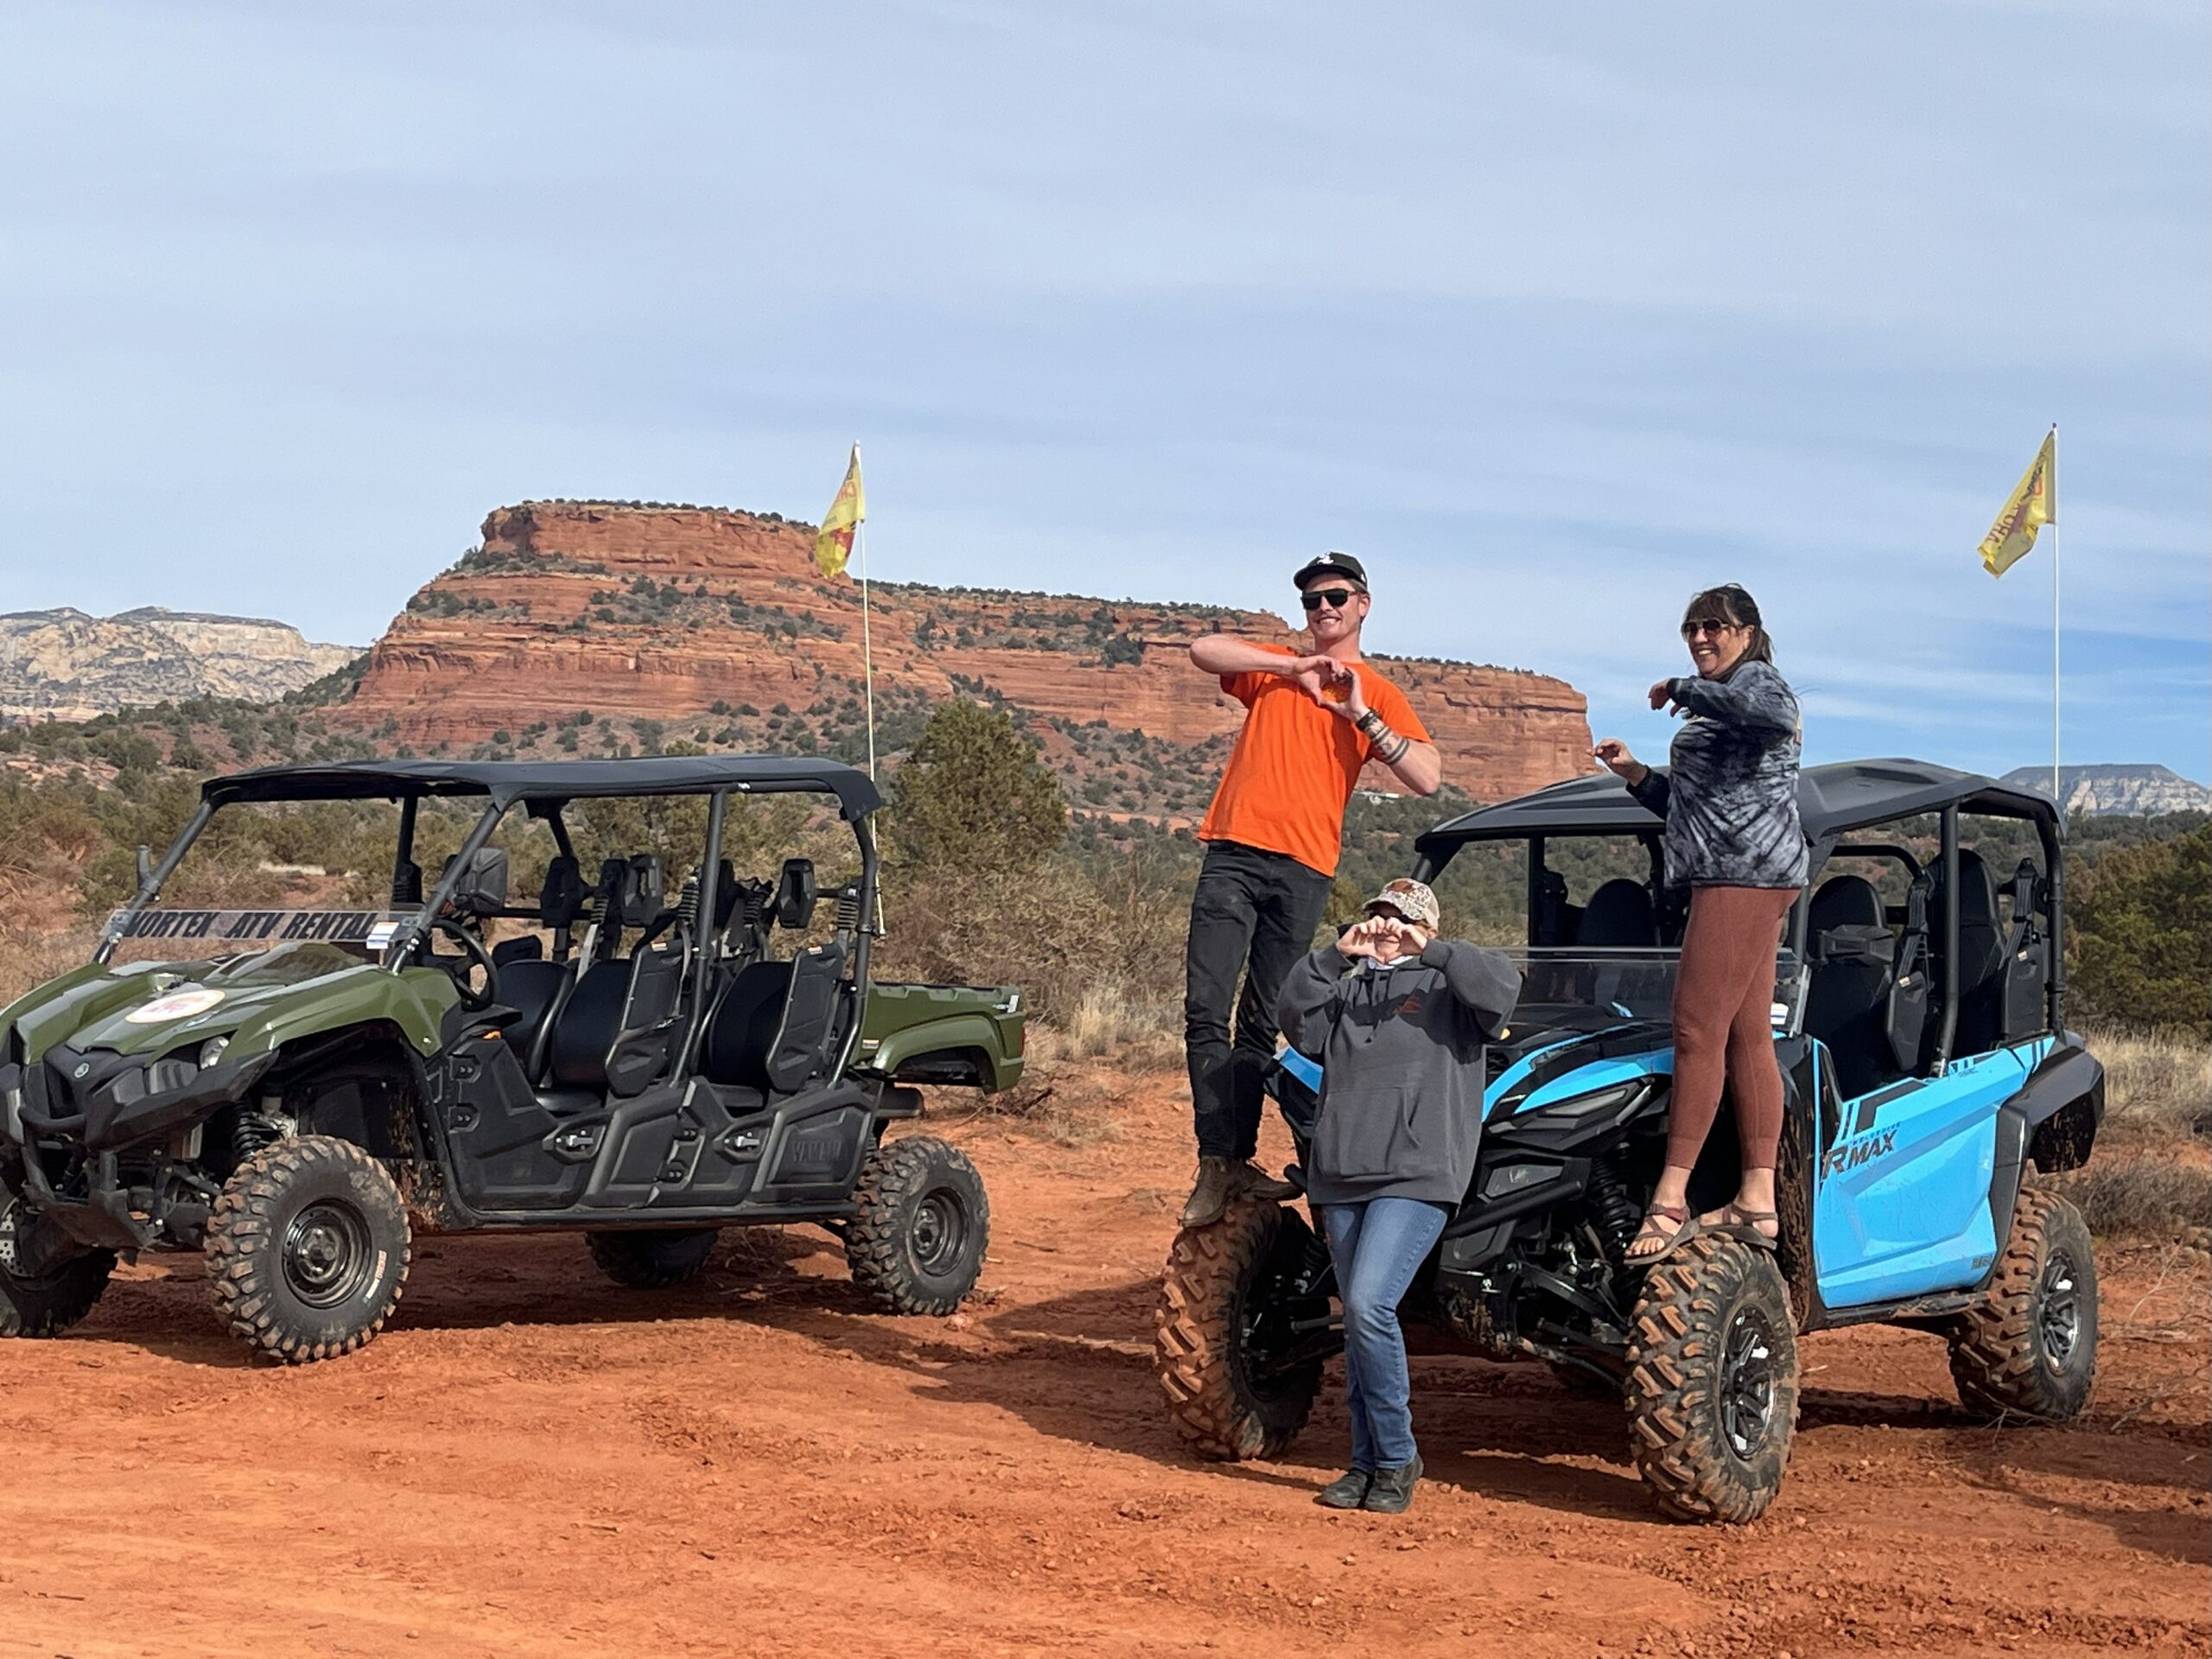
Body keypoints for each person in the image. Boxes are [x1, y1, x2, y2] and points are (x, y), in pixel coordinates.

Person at [1179, 554, 1443, 1227]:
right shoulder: (1273, 666)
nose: (1322, 609)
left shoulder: (1376, 692)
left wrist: (1362, 716)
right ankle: (1220, 1160)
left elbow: (1428, 777)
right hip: (1233, 853)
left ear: (1363, 604)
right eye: (1312, 601)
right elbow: (1201, 649)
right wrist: (1294, 667)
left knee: (1264, 1021)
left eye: (1335, 597)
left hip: (1304, 868)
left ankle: (1244, 1159)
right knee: (1206, 1009)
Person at [1277, 878, 1520, 1514]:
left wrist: (1431, 951)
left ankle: (1395, 1457)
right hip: (1342, 1173)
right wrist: (1336, 956)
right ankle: (1363, 1465)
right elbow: (1296, 1020)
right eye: (1379, 916)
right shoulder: (1346, 988)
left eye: (1403, 920)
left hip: (1415, 1174)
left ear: (1429, 929)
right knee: (1360, 1323)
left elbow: (1502, 989)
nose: (1387, 928)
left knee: (1367, 1304)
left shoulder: (1451, 989)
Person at [1592, 583, 1806, 1259]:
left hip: (1745, 876)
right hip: (1731, 873)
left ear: (1747, 632)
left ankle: (1668, 1199)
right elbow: (1689, 807)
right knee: (1746, 1038)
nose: (1700, 638)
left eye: (1713, 626)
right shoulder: (1723, 704)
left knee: (1694, 1028)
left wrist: (1682, 688)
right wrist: (1634, 775)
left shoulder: (1762, 686)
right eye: (1690, 629)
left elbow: (1766, 717)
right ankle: (1756, 1200)